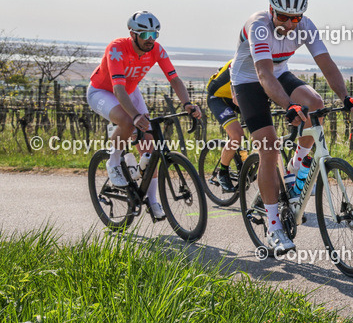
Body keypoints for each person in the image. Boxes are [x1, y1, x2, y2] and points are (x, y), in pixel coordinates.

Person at [231, 0, 353, 254]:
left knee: (315, 104)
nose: (290, 24)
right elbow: (263, 75)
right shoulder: (258, 25)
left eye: (296, 18)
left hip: (279, 73)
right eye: (283, 17)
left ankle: (294, 168)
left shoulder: (305, 25)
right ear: (271, 11)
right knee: (269, 148)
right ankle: (273, 227)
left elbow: (326, 63)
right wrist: (289, 105)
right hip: (249, 80)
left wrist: (345, 97)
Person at [86, 11, 201, 219]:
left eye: (155, 35)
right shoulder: (117, 48)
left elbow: (174, 79)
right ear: (133, 33)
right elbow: (118, 88)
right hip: (102, 91)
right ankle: (113, 163)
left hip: (129, 91)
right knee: (128, 122)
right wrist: (136, 116)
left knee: (150, 145)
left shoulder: (156, 50)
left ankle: (153, 200)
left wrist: (187, 103)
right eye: (146, 34)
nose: (151, 40)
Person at [206, 60, 244, 191]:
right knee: (237, 136)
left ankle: (244, 160)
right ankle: (222, 172)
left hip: (240, 97)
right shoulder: (242, 61)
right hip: (218, 97)